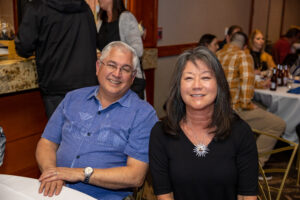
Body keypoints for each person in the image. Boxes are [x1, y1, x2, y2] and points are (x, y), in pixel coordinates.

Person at [35, 41, 158, 200]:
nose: (117, 74)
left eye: (125, 69)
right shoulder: (73, 98)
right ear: (98, 67)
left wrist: (80, 174)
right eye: (111, 65)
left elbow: (135, 176)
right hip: (56, 191)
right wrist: (52, 173)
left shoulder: (144, 114)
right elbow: (47, 143)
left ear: (133, 77)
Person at [149, 46, 258, 200]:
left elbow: (247, 196)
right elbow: (164, 195)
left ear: (219, 84)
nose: (197, 85)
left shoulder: (240, 132)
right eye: (188, 78)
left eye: (206, 77)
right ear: (179, 86)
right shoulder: (161, 134)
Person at [15, 0, 98, 118]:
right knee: (86, 134)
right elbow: (94, 39)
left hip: (56, 86)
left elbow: (23, 48)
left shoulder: (37, 8)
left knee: (58, 134)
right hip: (87, 85)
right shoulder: (84, 7)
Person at [217, 32, 286, 167]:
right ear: (245, 45)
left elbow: (238, 79)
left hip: (217, 107)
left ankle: (242, 153)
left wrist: (260, 85)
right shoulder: (243, 55)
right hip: (233, 110)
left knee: (264, 109)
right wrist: (247, 104)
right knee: (278, 124)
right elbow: (246, 85)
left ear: (228, 39)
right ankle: (253, 166)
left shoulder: (216, 54)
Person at [97, 0, 145, 99]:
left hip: (128, 81)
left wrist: (115, 57)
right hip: (109, 80)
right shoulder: (101, 20)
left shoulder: (126, 17)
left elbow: (138, 50)